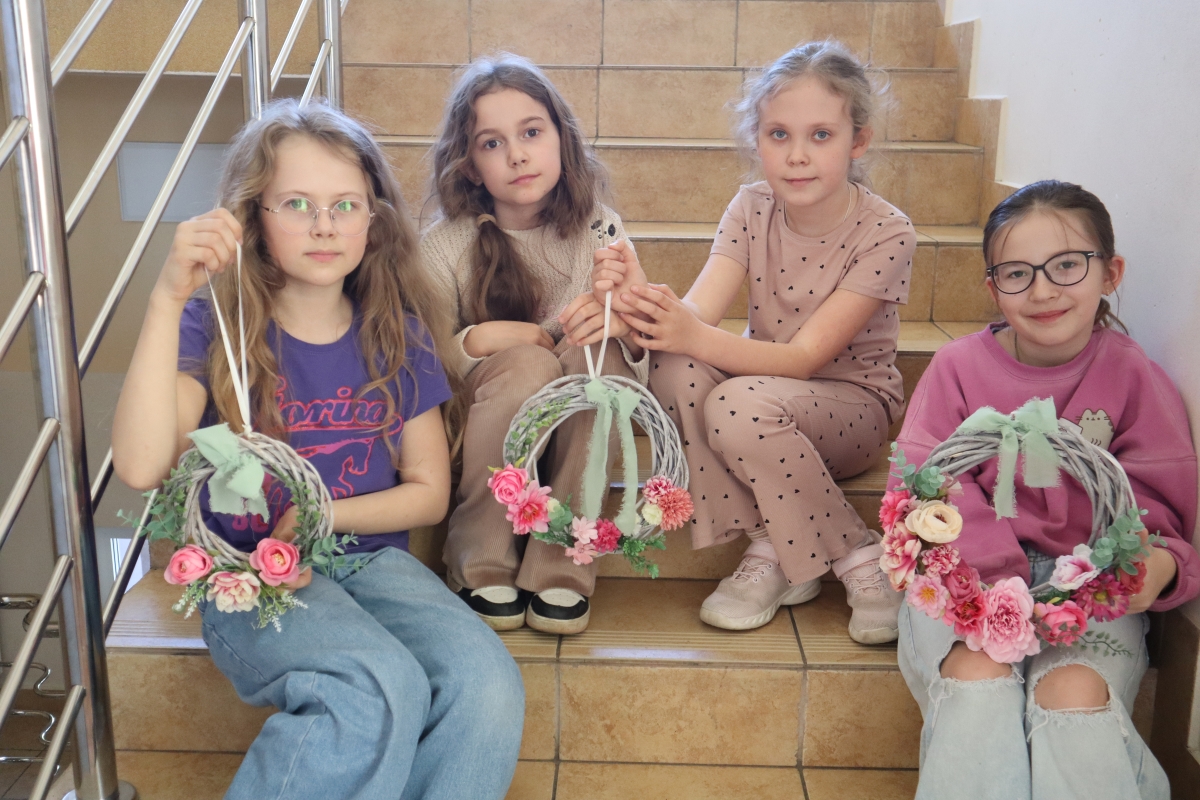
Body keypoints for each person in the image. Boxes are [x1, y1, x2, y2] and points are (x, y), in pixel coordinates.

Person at [111, 99, 524, 800]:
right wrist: (166, 299)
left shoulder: (398, 334)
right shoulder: (212, 326)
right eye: (297, 204)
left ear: (374, 220)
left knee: (487, 684)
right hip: (252, 574)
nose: (325, 225)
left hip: (370, 562)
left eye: (345, 205)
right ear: (254, 217)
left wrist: (320, 515)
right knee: (373, 685)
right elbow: (142, 464)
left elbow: (427, 492)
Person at [592, 40, 909, 641]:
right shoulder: (750, 206)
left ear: (858, 141)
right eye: (778, 134)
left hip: (851, 409)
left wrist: (688, 331)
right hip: (758, 398)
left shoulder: (888, 232)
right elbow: (696, 314)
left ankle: (857, 553)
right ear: (757, 139)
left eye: (821, 135)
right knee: (674, 367)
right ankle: (774, 546)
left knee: (734, 402)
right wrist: (641, 296)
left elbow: (805, 358)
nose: (797, 155)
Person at [891, 179, 1198, 799]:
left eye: (1067, 265)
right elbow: (928, 486)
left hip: (1090, 590)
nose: (1042, 290)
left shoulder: (1134, 375)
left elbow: (1160, 512)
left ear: (1110, 273)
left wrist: (1159, 565)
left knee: (1072, 697)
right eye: (1017, 273)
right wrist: (999, 587)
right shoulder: (957, 368)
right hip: (967, 581)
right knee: (978, 681)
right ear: (992, 288)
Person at [422, 54, 647, 635]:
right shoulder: (446, 245)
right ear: (470, 166)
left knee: (598, 361)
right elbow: (423, 356)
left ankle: (563, 564)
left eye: (531, 133)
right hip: (491, 407)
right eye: (491, 143)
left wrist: (620, 320)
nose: (517, 155)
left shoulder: (600, 228)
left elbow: (641, 345)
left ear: (561, 140)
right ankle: (481, 557)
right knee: (525, 364)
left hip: (579, 408)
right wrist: (482, 339)